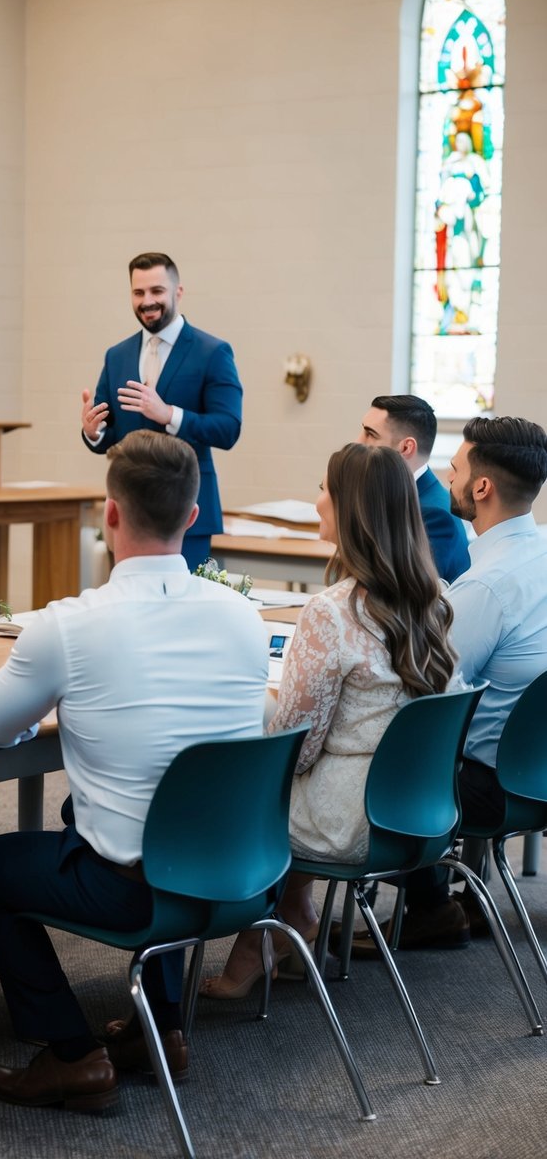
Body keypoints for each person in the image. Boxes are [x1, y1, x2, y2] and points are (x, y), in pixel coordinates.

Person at [0, 430, 269, 1111]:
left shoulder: (70, 626)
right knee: (146, 809)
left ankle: (70, 1053)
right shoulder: (242, 616)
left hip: (137, 892)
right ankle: (162, 1029)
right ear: (193, 513)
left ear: (109, 516)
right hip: (241, 879)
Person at [202, 443, 456, 997]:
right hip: (417, 804)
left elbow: (298, 742)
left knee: (226, 793)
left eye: (324, 491)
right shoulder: (434, 597)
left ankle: (255, 939)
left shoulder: (331, 612)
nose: (316, 502)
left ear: (352, 511)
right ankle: (294, 922)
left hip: (350, 817)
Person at [378, 415, 547, 950]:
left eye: (453, 469)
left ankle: (430, 909)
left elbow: (430, 690)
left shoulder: (488, 586)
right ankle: (455, 897)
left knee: (380, 757)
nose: (447, 479)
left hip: (500, 785)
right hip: (537, 768)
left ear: (482, 486)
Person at [80, 252, 242, 571]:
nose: (147, 301)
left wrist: (169, 414)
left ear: (177, 292)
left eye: (157, 291)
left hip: (187, 511)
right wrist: (93, 431)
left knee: (183, 615)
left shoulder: (212, 352)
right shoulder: (117, 355)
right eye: (138, 293)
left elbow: (228, 428)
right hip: (129, 512)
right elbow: (109, 431)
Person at [357, 394, 470, 584]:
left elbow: (412, 599)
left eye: (370, 434)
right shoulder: (398, 494)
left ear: (406, 448)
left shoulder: (434, 515)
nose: (358, 442)